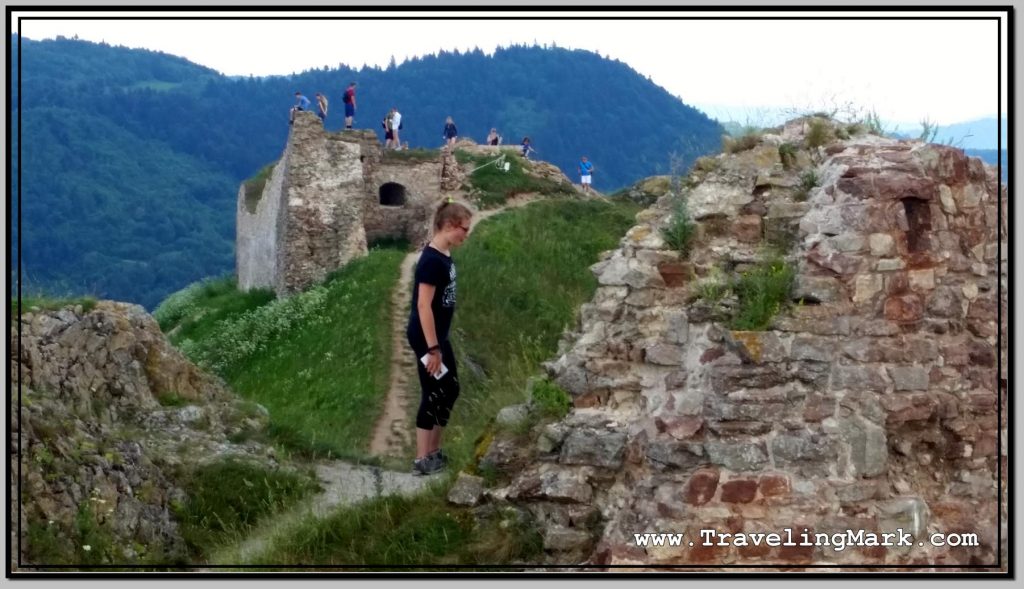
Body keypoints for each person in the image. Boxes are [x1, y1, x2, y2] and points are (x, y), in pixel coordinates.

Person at [406, 199, 474, 475]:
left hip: (437, 337)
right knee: (435, 390)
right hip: (426, 338)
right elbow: (423, 306)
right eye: (464, 229)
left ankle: (434, 452)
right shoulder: (431, 261)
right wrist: (433, 348)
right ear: (448, 226)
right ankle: (422, 459)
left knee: (450, 389)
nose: (466, 235)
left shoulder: (444, 255)